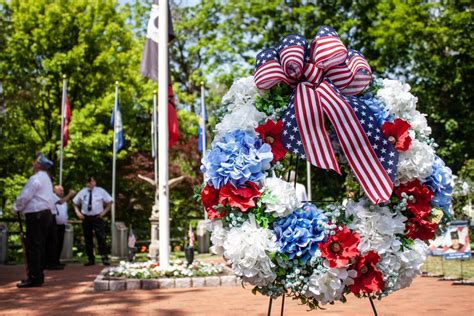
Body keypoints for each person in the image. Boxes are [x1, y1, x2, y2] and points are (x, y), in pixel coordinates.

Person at [13, 153, 55, 288]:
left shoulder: (35, 178)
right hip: (45, 214)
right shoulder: (47, 179)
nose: (33, 164)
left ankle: (34, 277)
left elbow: (25, 195)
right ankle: (38, 275)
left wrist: (16, 207)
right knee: (39, 245)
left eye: (35, 162)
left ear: (38, 165)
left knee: (33, 246)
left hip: (36, 214)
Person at [73, 177, 112, 266]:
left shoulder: (100, 191)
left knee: (101, 237)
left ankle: (104, 258)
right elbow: (75, 203)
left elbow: (110, 202)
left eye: (92, 181)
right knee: (88, 238)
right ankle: (90, 259)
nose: (90, 183)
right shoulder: (82, 192)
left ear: (94, 182)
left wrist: (104, 213)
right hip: (86, 217)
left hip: (97, 217)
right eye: (89, 182)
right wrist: (78, 213)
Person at [51, 185, 75, 266]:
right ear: (54, 191)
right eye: (60, 190)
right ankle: (52, 261)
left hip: (62, 225)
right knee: (54, 244)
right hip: (54, 225)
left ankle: (57, 261)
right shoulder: (52, 197)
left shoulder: (64, 201)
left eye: (62, 190)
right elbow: (60, 202)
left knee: (60, 243)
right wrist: (70, 195)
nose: (62, 192)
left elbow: (64, 212)